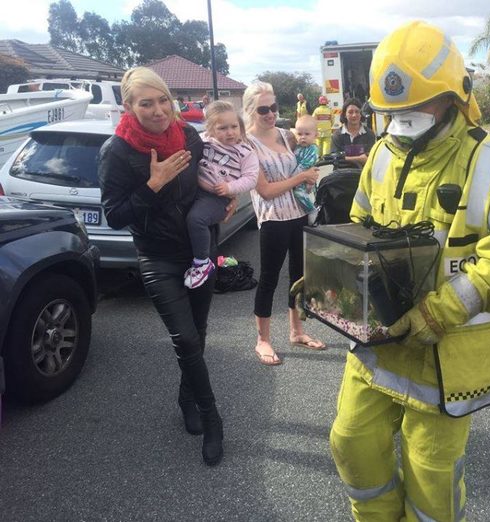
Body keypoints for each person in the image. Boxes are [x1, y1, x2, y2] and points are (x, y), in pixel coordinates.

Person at [328, 21, 490, 520]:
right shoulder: (380, 152)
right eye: (392, 112)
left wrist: (440, 312)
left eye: (415, 108)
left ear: (454, 97)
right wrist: (328, 276)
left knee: (431, 482)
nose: (402, 120)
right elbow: (359, 226)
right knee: (351, 444)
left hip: (443, 360)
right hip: (377, 349)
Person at [98, 67, 225, 466]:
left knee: (198, 334)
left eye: (163, 101)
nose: (157, 110)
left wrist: (225, 198)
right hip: (157, 257)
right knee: (185, 339)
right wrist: (152, 186)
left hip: (199, 253)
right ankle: (212, 417)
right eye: (146, 103)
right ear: (129, 106)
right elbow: (115, 216)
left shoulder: (188, 136)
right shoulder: (116, 152)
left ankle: (186, 398)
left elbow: (208, 180)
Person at [244, 81, 326, 366]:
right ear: (251, 111)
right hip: (273, 220)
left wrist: (310, 172)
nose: (270, 114)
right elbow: (264, 190)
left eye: (274, 107)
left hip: (298, 214)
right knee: (269, 278)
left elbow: (303, 157)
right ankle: (263, 340)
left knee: (297, 276)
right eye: (263, 109)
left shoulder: (285, 135)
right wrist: (301, 179)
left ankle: (296, 331)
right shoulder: (247, 143)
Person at [184, 100, 259, 288]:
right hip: (196, 190)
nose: (230, 132)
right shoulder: (203, 141)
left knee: (196, 220)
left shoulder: (245, 152)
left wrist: (230, 188)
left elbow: (251, 179)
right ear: (210, 129)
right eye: (222, 128)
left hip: (217, 198)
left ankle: (202, 263)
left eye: (234, 126)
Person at [330, 97, 376, 167]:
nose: (354, 115)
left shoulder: (369, 134)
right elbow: (335, 158)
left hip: (363, 175)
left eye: (357, 112)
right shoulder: (337, 135)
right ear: (345, 114)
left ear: (361, 114)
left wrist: (346, 158)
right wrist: (360, 159)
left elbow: (371, 158)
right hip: (342, 175)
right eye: (350, 112)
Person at [291, 114, 320, 221]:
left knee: (299, 194)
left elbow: (305, 165)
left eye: (307, 134)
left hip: (305, 180)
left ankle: (311, 210)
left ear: (315, 135)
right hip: (296, 179)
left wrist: (291, 178)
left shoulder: (313, 149)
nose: (303, 137)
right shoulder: (296, 147)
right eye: (299, 134)